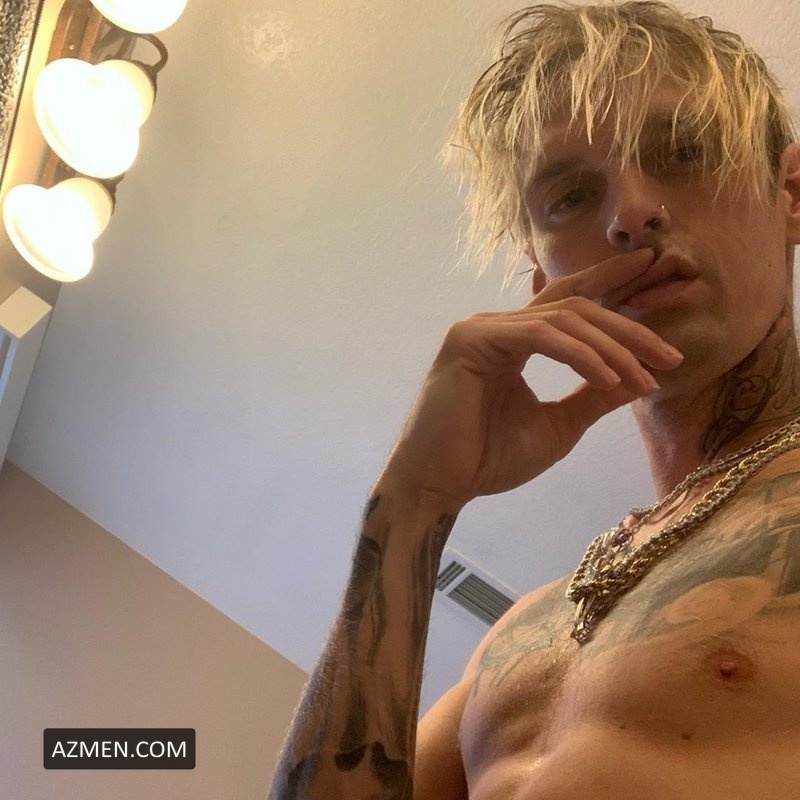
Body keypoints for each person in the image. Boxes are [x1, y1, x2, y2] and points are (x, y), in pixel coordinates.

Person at [269, 2, 800, 797]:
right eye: (573, 195)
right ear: (544, 279)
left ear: (792, 195)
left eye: (686, 150)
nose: (631, 214)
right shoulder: (521, 636)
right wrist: (413, 504)